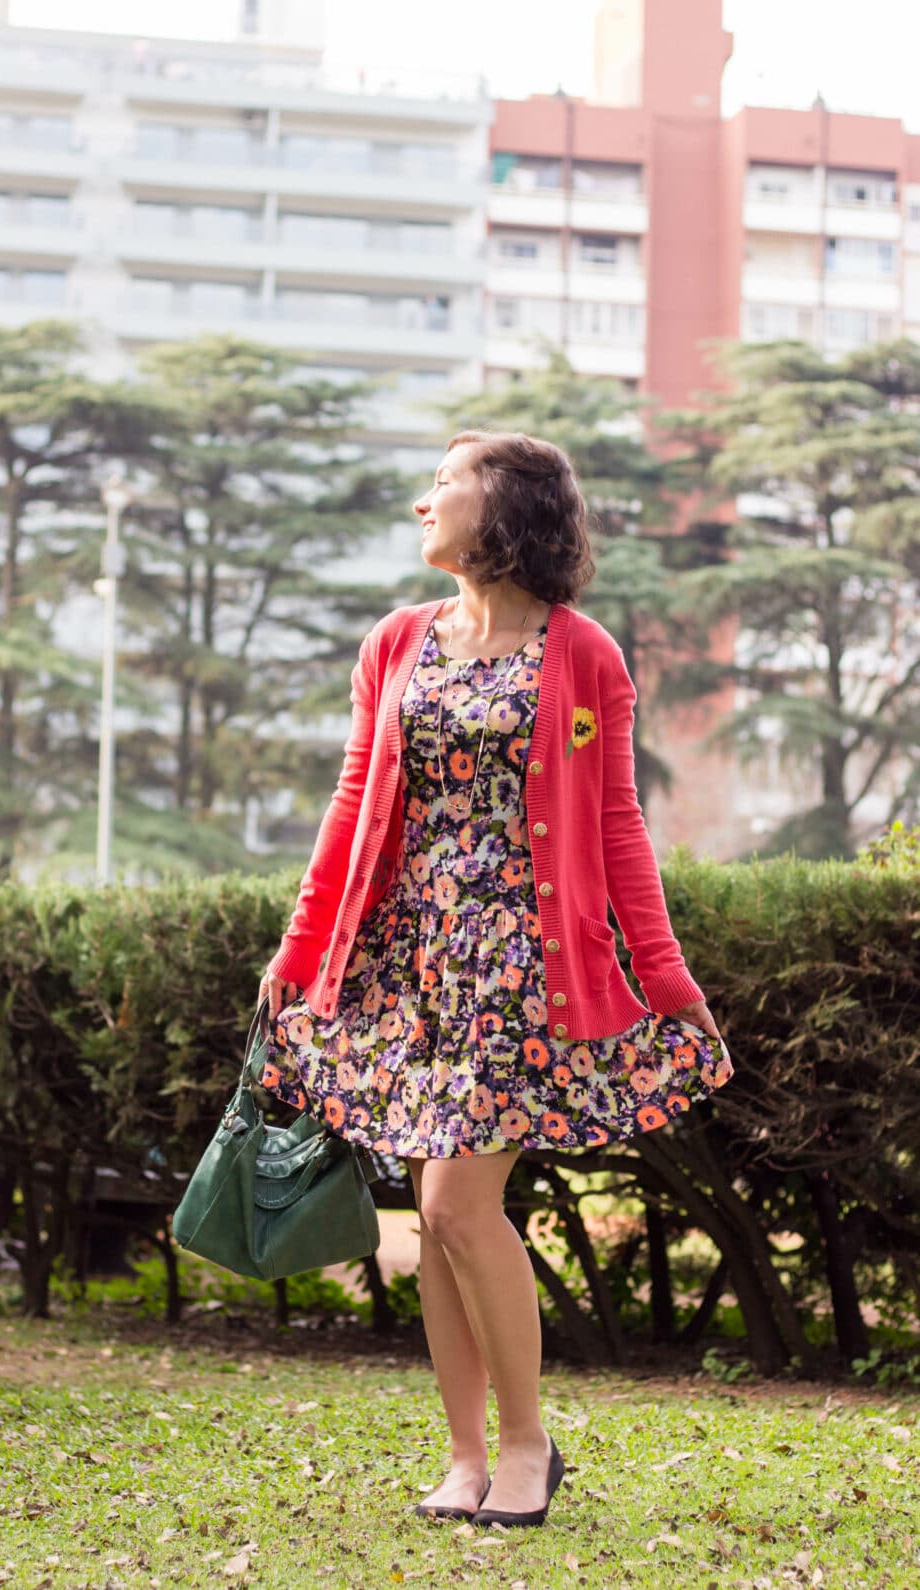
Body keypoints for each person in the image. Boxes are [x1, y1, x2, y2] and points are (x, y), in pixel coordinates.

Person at [257, 429, 734, 1529]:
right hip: (414, 963)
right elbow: (350, 805)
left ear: (507, 507)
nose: (422, 503)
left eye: (444, 483)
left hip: (522, 967)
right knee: (436, 1215)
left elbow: (617, 825)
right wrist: (298, 947)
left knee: (457, 1202)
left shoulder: (584, 656)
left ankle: (527, 1448)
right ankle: (467, 1459)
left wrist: (660, 972)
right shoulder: (395, 643)